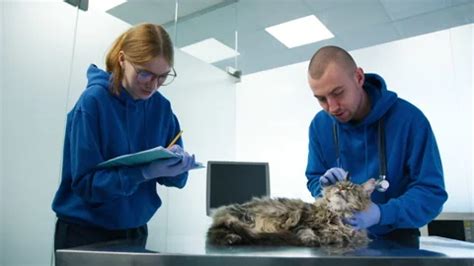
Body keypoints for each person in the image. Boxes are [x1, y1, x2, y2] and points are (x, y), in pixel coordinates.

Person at [52, 23, 197, 250]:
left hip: (135, 231)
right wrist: (143, 171)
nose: (153, 85)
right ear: (122, 59)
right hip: (84, 232)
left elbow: (175, 180)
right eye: (145, 73)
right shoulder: (93, 102)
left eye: (162, 76)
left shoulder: (161, 108)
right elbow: (86, 185)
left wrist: (178, 167)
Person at [305, 45, 448, 242]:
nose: (332, 107)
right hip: (339, 240)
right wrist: (323, 188)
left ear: (359, 78)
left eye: (338, 93)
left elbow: (431, 194)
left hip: (398, 245)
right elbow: (314, 178)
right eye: (321, 99)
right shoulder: (319, 126)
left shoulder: (410, 120)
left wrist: (382, 214)